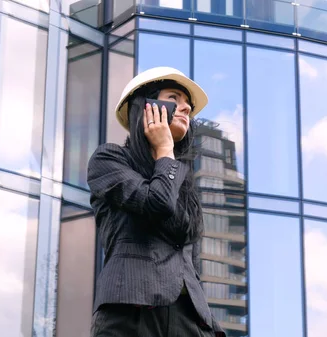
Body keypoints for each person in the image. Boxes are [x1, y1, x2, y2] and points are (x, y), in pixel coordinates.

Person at [87, 67, 226, 337]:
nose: (185, 108)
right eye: (174, 98)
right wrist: (164, 149)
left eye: (188, 104)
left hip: (188, 318)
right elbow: (157, 203)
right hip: (132, 311)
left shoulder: (182, 181)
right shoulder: (109, 160)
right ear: (147, 107)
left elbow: (188, 263)